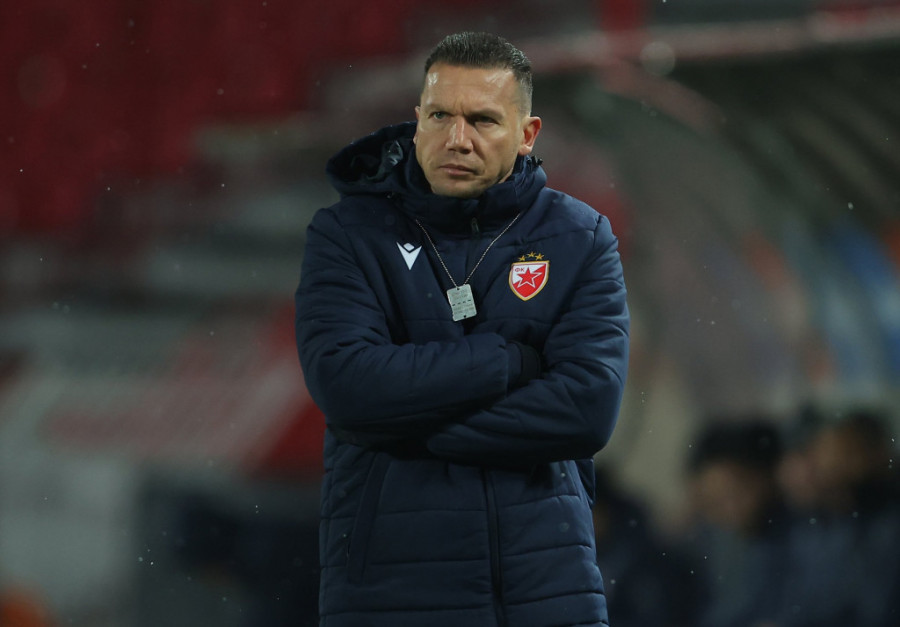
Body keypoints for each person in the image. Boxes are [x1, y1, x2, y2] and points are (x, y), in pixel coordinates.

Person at [294, 31, 629, 627]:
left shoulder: (581, 238)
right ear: (417, 119)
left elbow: (586, 410)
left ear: (527, 134)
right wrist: (507, 362)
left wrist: (403, 429)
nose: (457, 139)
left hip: (545, 596)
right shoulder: (347, 235)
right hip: (390, 599)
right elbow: (346, 385)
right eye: (440, 116)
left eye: (482, 120)